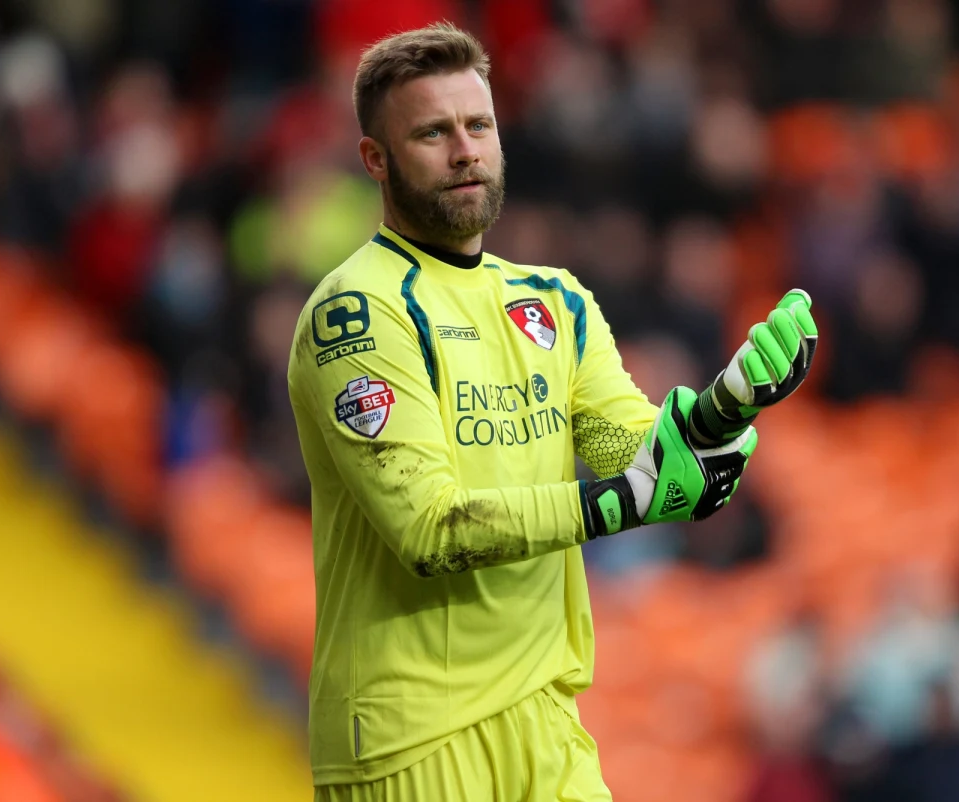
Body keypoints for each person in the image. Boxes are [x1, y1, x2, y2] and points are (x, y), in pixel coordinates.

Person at [287, 22, 819, 802]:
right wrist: (630, 500)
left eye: (479, 125)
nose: (465, 149)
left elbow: (638, 456)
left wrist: (721, 410)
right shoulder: (355, 314)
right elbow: (429, 530)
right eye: (433, 132)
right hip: (413, 735)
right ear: (377, 159)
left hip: (545, 719)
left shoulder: (554, 302)